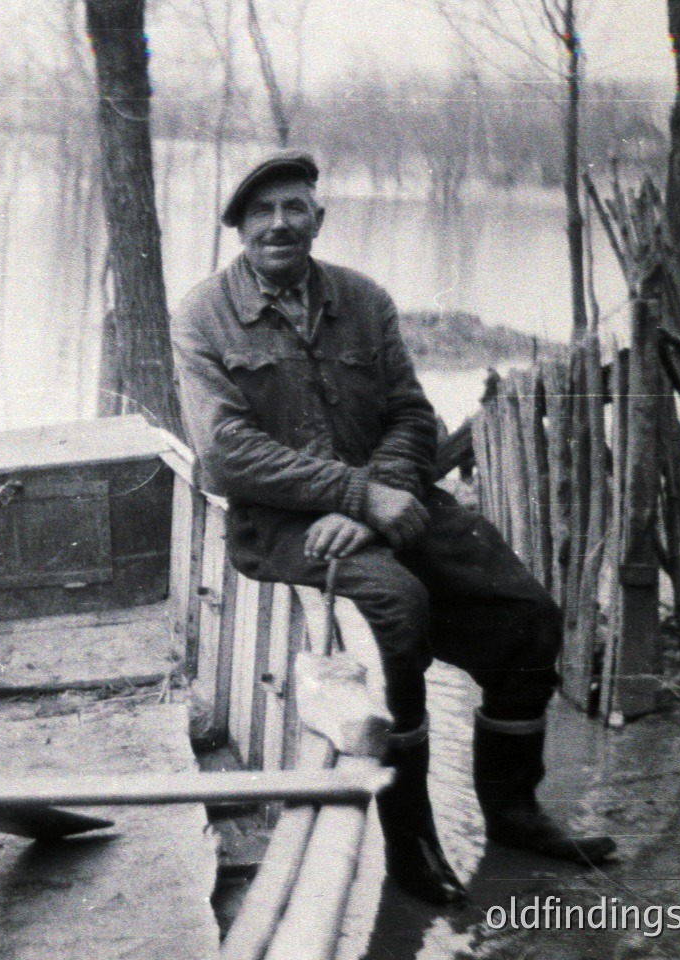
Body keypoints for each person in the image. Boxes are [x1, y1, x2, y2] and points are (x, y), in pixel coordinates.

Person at [170, 151, 615, 905]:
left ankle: (512, 811)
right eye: (261, 211)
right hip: (281, 525)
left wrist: (378, 494)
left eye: (294, 207)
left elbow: (412, 415)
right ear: (238, 227)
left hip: (391, 498)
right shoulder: (203, 316)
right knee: (395, 615)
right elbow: (225, 453)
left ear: (318, 218)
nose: (279, 223)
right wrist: (354, 495)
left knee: (527, 617)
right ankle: (411, 843)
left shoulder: (363, 299)